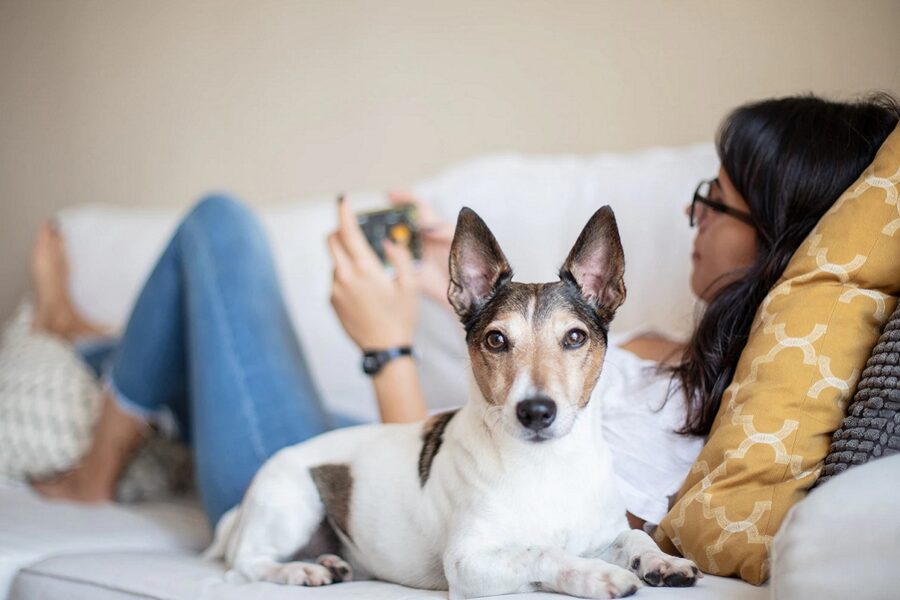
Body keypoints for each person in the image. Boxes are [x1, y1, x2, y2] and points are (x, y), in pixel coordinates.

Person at [31, 92, 900, 532]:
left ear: (780, 236)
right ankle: (93, 346)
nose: (693, 212)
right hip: (359, 447)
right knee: (216, 294)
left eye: (717, 198)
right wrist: (447, 294)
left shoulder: (727, 419)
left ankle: (94, 467)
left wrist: (384, 352)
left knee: (216, 227)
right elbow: (506, 380)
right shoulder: (661, 349)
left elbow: (458, 504)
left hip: (332, 492)